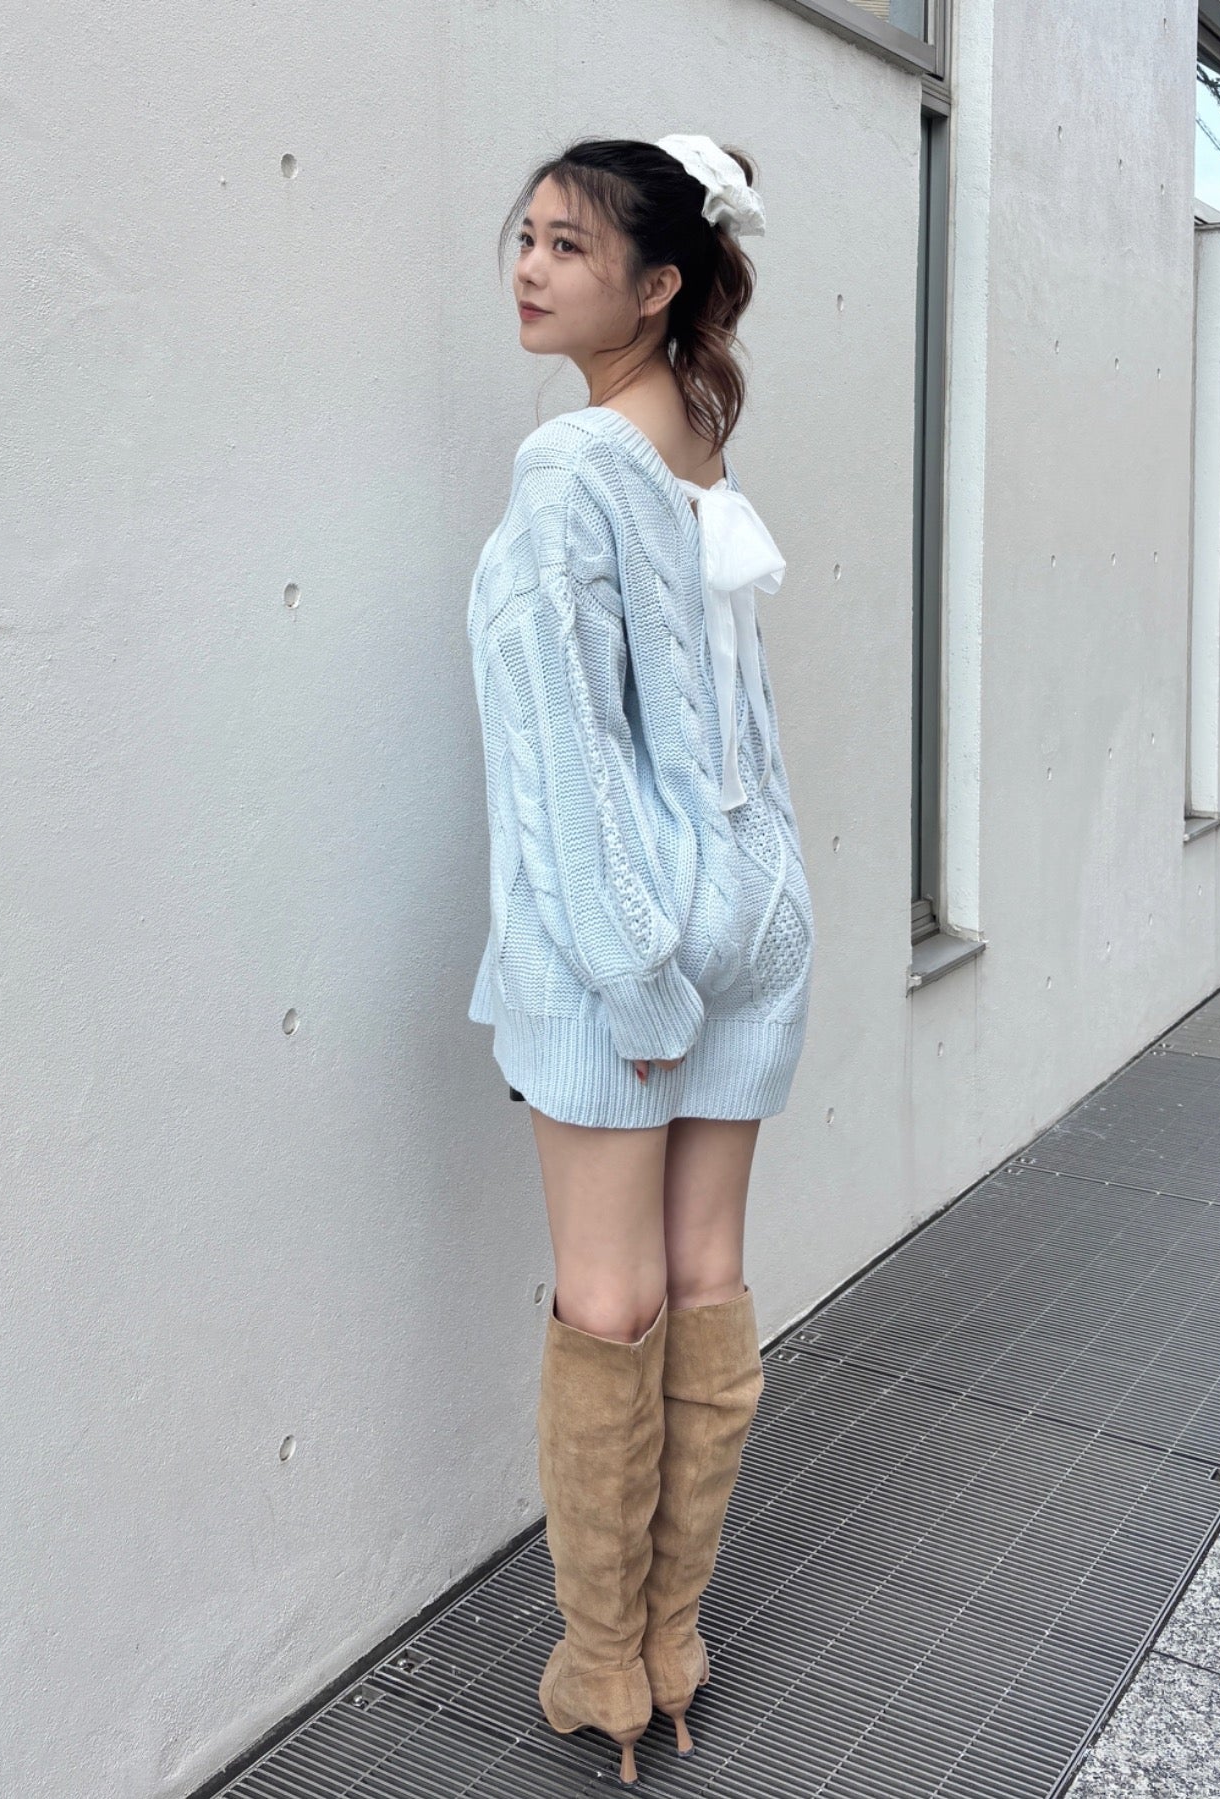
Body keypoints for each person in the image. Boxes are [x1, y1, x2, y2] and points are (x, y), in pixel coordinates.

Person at [465, 133, 815, 1786]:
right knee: (705, 1280)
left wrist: (634, 970)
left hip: (630, 951)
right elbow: (735, 731)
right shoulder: (696, 436)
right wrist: (746, 919)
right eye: (526, 238)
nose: (531, 269)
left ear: (658, 282)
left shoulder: (571, 469)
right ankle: (674, 1647)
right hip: (751, 921)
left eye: (569, 247)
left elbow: (566, 757)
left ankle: (606, 1667)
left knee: (611, 1301)